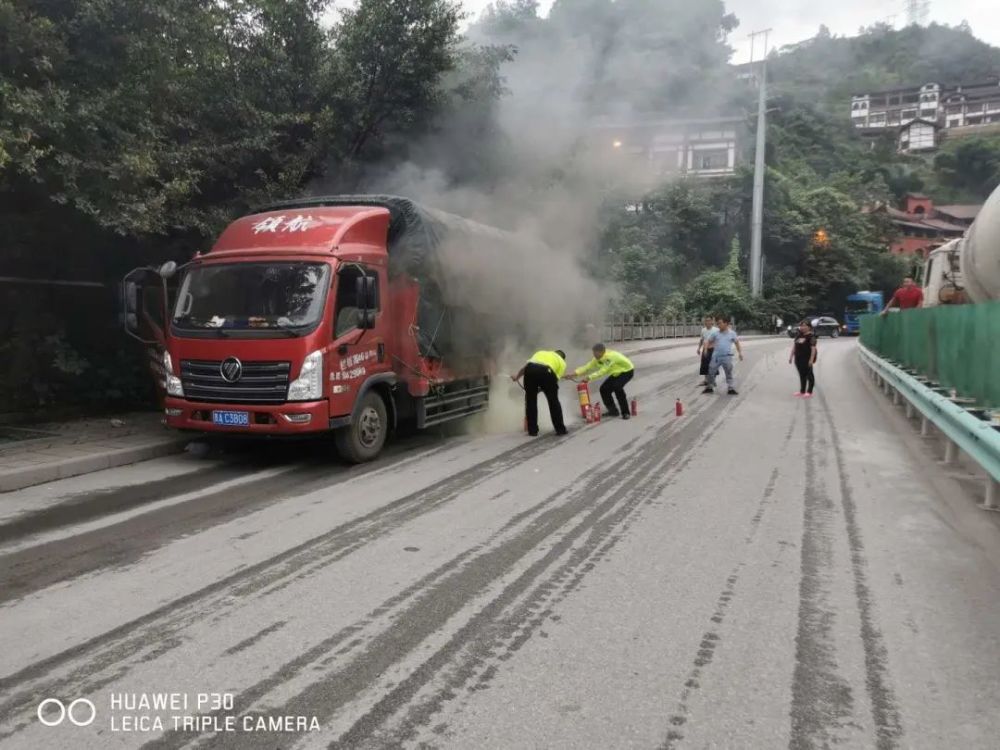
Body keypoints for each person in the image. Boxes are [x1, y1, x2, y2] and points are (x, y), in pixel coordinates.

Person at [570, 343, 635, 420]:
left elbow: (603, 371)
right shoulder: (597, 358)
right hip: (616, 373)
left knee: (617, 388)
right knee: (604, 389)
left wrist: (589, 378)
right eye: (593, 353)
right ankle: (613, 411)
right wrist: (575, 373)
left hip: (627, 371)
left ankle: (625, 413)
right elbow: (587, 367)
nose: (594, 355)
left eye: (595, 353)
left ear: (601, 352)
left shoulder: (610, 357)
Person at [513, 350, 568, 437]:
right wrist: (542, 388)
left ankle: (532, 430)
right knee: (553, 401)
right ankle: (560, 429)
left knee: (530, 401)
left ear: (554, 352)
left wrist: (517, 377)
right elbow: (554, 381)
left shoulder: (541, 352)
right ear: (563, 358)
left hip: (530, 370)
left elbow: (526, 367)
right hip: (547, 372)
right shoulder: (562, 362)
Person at [703, 315, 743, 395]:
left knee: (728, 372)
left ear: (726, 323)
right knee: (711, 371)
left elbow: (737, 343)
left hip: (727, 356)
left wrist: (740, 353)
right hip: (716, 357)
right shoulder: (715, 333)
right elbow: (708, 341)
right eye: (717, 323)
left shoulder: (732, 333)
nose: (718, 325)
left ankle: (731, 388)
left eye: (720, 323)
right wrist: (705, 349)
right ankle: (710, 387)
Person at [789, 320, 818, 398]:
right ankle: (802, 391)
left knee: (809, 375)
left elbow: (813, 349)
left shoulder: (811, 337)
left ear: (809, 327)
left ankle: (809, 391)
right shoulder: (799, 335)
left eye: (805, 326)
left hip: (807, 359)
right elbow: (795, 346)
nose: (802, 327)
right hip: (798, 359)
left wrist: (811, 360)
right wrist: (791, 356)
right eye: (801, 326)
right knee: (802, 375)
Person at [696, 316, 718, 386]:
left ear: (712, 322)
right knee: (704, 365)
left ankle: (713, 380)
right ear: (705, 322)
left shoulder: (716, 330)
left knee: (713, 365)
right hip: (705, 350)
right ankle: (706, 380)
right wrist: (699, 348)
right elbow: (702, 340)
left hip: (714, 349)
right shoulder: (703, 330)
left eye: (709, 321)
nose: (707, 322)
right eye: (706, 321)